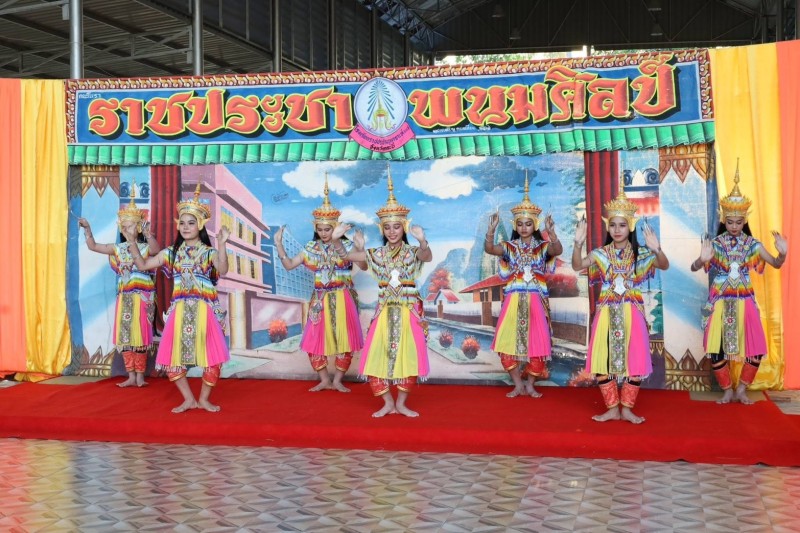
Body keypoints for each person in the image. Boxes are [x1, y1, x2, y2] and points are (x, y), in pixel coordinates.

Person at [333, 167, 432, 417]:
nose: (392, 231)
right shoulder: (376, 254)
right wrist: (336, 240)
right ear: (382, 229)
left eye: (396, 227)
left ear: (404, 227)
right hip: (385, 311)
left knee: (409, 355)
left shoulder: (412, 252)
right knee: (377, 355)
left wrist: (422, 240)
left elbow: (426, 256)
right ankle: (387, 403)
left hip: (409, 311)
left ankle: (402, 404)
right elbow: (348, 257)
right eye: (387, 227)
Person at [124, 184, 231, 413]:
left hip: (204, 311)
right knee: (172, 361)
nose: (185, 227)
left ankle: (203, 399)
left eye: (191, 223)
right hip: (179, 311)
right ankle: (189, 399)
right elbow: (142, 265)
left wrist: (222, 245)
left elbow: (222, 269)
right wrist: (132, 241)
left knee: (213, 360)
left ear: (200, 225)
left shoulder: (209, 252)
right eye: (182, 223)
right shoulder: (171, 253)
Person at [572, 177, 669, 424]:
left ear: (630, 226)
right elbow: (577, 265)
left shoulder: (641, 254)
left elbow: (663, 265)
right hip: (606, 312)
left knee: (635, 360)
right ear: (608, 227)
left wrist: (657, 249)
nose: (617, 230)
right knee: (602, 359)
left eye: (622, 225)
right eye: (613, 225)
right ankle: (612, 408)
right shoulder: (600, 254)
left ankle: (627, 408)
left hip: (632, 311)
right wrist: (577, 243)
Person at [691, 166, 788, 405]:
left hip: (745, 301)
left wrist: (783, 254)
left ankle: (742, 389)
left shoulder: (753, 245)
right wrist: (701, 260)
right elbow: (694, 267)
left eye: (739, 222)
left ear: (745, 220)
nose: (734, 226)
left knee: (756, 350)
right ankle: (727, 390)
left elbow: (775, 264)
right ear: (724, 219)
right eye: (730, 222)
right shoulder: (715, 243)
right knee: (716, 350)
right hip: (720, 302)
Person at [274, 174, 365, 392]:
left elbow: (363, 266)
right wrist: (278, 244)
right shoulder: (310, 249)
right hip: (319, 300)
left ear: (335, 227)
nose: (324, 233)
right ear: (316, 228)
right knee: (314, 340)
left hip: (342, 296)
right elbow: (289, 265)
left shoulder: (347, 246)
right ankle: (324, 379)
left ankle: (338, 380)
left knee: (345, 340)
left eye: (328, 229)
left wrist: (360, 248)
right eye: (320, 229)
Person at [484, 175, 563, 398]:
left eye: (528, 223)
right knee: (506, 343)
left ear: (535, 224)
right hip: (514, 298)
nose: (524, 227)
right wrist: (491, 231)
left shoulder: (542, 247)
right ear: (515, 225)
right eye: (520, 224)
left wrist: (552, 234)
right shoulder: (509, 246)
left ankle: (530, 384)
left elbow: (557, 251)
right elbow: (490, 249)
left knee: (539, 344)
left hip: (536, 298)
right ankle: (518, 384)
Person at [78, 183, 159, 388]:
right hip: (125, 298)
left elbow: (157, 251)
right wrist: (87, 228)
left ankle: (140, 377)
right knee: (125, 336)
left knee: (140, 336)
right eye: (124, 226)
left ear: (138, 227)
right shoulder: (117, 248)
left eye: (131, 226)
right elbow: (93, 246)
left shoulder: (144, 247)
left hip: (142, 298)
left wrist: (148, 234)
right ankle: (130, 376)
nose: (127, 229)